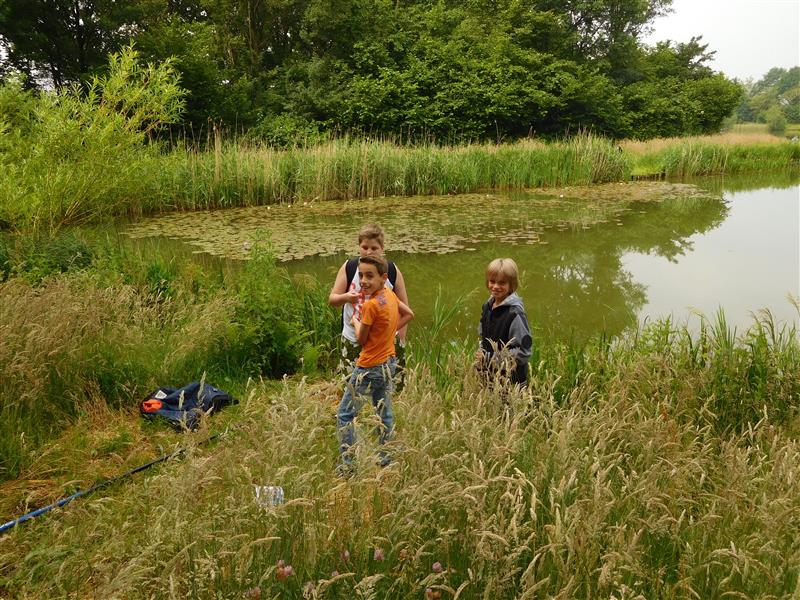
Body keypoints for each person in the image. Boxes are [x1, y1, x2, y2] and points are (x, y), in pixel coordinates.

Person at [336, 255, 414, 474]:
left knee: (344, 414)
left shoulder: (370, 305)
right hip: (388, 362)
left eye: (369, 276)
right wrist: (388, 333)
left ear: (384, 277)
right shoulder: (389, 294)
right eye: (361, 275)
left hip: (369, 366)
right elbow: (409, 314)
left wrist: (354, 321)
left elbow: (361, 339)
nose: (363, 281)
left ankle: (348, 466)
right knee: (383, 413)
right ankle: (386, 458)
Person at [328, 224, 409, 377]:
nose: (369, 252)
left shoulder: (391, 270)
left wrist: (400, 338)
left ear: (382, 248)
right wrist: (346, 297)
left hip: (384, 341)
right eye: (365, 247)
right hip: (354, 339)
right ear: (359, 247)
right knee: (352, 384)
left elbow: (404, 307)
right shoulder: (350, 267)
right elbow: (332, 299)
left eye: (374, 248)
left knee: (389, 382)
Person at [475, 258, 532, 387]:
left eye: (502, 283)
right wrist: (480, 354)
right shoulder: (487, 307)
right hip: (489, 377)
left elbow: (524, 351)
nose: (495, 286)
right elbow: (483, 336)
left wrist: (489, 359)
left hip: (511, 382)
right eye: (492, 281)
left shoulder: (515, 313)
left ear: (511, 285)